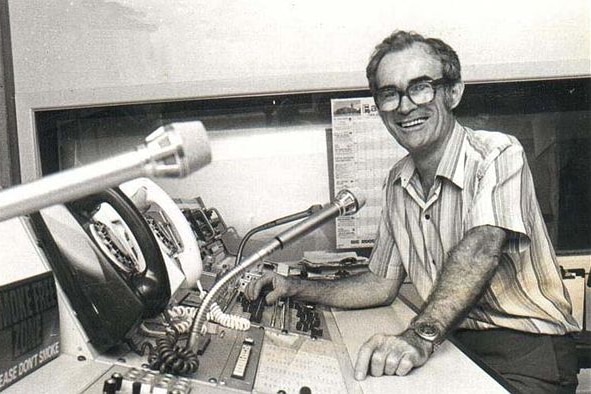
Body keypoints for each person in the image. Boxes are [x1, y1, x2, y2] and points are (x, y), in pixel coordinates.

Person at [244, 30, 581, 393]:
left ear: (453, 92)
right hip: (453, 343)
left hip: (526, 352)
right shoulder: (396, 181)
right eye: (389, 94)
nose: (405, 106)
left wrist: (419, 337)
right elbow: (378, 283)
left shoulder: (496, 154)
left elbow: (481, 248)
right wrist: (295, 288)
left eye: (421, 87)